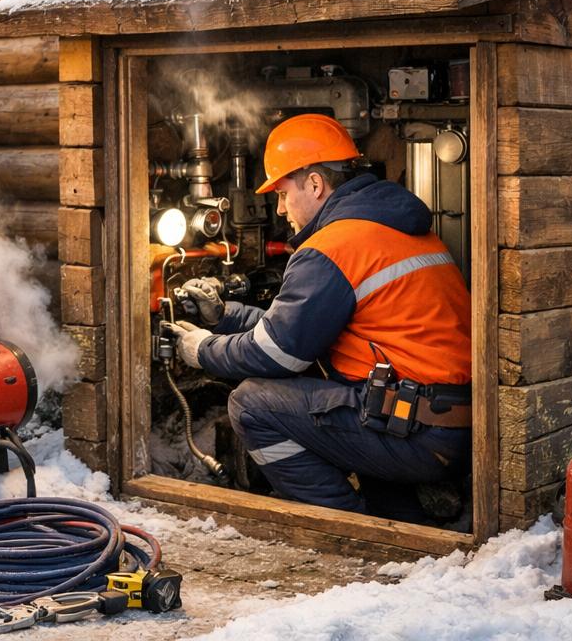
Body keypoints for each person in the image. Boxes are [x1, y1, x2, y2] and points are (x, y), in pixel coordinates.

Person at [163, 113, 472, 520]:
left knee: (252, 404)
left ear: (314, 184)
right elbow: (297, 333)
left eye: (282, 193)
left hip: (416, 434)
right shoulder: (386, 226)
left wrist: (202, 350)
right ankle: (399, 510)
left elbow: (278, 356)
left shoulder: (334, 246)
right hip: (445, 424)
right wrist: (224, 316)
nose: (279, 208)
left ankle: (349, 523)